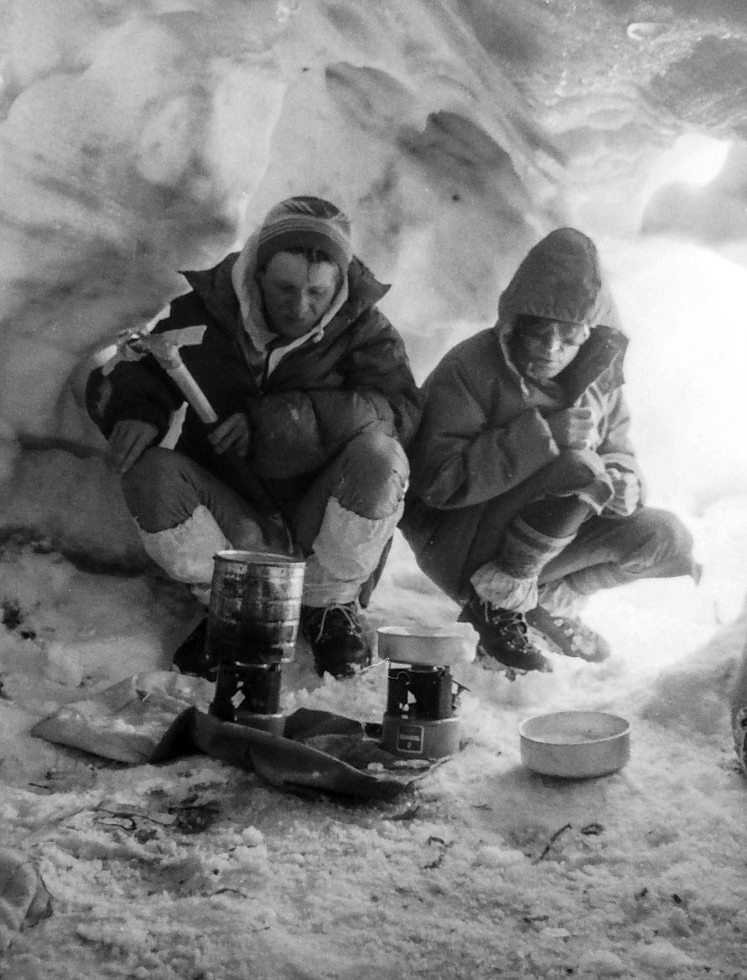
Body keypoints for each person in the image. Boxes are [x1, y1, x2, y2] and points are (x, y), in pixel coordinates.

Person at [86, 195, 419, 678]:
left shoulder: (365, 332)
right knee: (152, 474)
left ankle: (329, 604)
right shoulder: (207, 311)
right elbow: (148, 363)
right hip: (235, 514)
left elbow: (399, 412)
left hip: (318, 515)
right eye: (285, 288)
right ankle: (233, 603)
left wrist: (278, 424)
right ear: (259, 271)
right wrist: (137, 408)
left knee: (381, 458)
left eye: (317, 292)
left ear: (339, 284)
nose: (299, 307)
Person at [400, 227, 697, 671]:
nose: (551, 349)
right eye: (538, 332)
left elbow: (618, 446)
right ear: (515, 325)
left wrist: (626, 481)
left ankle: (546, 603)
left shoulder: (599, 377)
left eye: (569, 336)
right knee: (580, 469)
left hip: (548, 537)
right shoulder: (469, 367)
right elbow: (438, 483)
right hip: (458, 541)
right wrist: (542, 438)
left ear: (590, 334)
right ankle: (496, 604)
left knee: (666, 537)